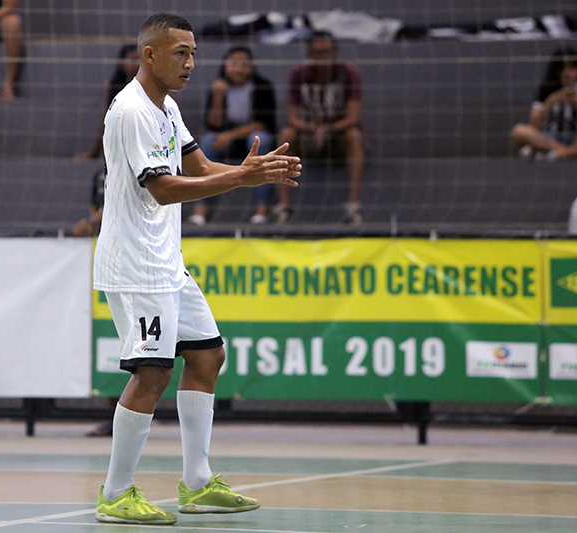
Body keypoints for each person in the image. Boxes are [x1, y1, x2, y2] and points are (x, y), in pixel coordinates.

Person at [92, 13, 300, 525]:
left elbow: (200, 168)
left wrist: (247, 173)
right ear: (150, 55)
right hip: (136, 265)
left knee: (207, 356)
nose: (190, 63)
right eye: (180, 52)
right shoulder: (131, 111)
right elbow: (162, 187)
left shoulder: (168, 108)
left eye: (193, 53)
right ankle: (116, 493)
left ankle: (197, 483)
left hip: (166, 262)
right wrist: (239, 183)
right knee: (152, 372)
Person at [278, 31, 364, 224]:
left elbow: (353, 116)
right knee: (286, 135)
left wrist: (328, 128)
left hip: (338, 133)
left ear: (336, 52)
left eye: (327, 53)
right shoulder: (299, 74)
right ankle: (284, 206)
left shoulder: (349, 74)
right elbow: (292, 117)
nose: (323, 58)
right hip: (309, 134)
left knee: (354, 135)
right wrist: (310, 127)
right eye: (318, 53)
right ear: (310, 54)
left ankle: (353, 205)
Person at [188, 46, 277, 225]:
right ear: (225, 66)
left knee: (261, 140)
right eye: (234, 64)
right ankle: (200, 210)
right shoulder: (218, 86)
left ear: (251, 67)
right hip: (228, 141)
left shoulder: (262, 86)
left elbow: (265, 122)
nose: (239, 69)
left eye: (244, 64)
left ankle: (261, 210)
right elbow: (213, 124)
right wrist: (218, 97)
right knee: (208, 141)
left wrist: (229, 135)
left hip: (252, 138)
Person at [511, 48, 577, 160]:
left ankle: (557, 155)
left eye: (572, 68)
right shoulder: (546, 89)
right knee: (519, 131)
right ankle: (569, 153)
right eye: (562, 68)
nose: (567, 73)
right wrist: (551, 101)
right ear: (556, 71)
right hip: (551, 139)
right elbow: (533, 126)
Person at [75, 45, 140, 161]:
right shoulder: (115, 87)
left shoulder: (155, 87)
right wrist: (93, 153)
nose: (137, 64)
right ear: (122, 63)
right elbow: (107, 121)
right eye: (133, 59)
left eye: (140, 59)